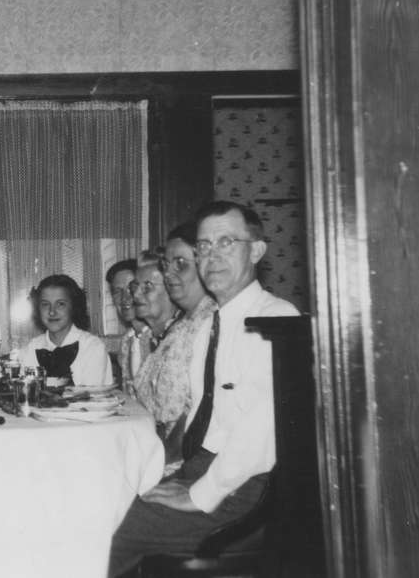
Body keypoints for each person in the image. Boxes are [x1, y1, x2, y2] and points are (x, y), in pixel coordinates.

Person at [108, 201, 300, 576]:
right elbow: (200, 417)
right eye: (204, 246)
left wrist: (199, 492)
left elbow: (261, 436)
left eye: (226, 242)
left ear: (256, 251)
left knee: (107, 529)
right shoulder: (210, 325)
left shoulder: (276, 320)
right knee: (104, 500)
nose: (212, 256)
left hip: (243, 485)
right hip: (203, 467)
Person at [133, 221, 217, 465]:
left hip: (184, 461)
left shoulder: (212, 321)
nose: (169, 274)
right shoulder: (180, 326)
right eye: (166, 265)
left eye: (180, 264)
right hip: (159, 451)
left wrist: (161, 466)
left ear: (205, 264)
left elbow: (197, 412)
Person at [15, 274, 113, 387]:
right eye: (45, 304)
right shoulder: (31, 348)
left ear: (74, 307)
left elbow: (91, 397)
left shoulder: (92, 347)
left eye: (60, 304)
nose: (52, 312)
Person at [124, 248, 181, 394]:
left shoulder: (180, 339)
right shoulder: (146, 339)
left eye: (147, 287)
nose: (135, 294)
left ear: (171, 290)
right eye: (135, 286)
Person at [106, 258, 145, 390]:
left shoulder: (159, 339)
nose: (124, 298)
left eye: (131, 288)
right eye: (118, 291)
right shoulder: (126, 342)